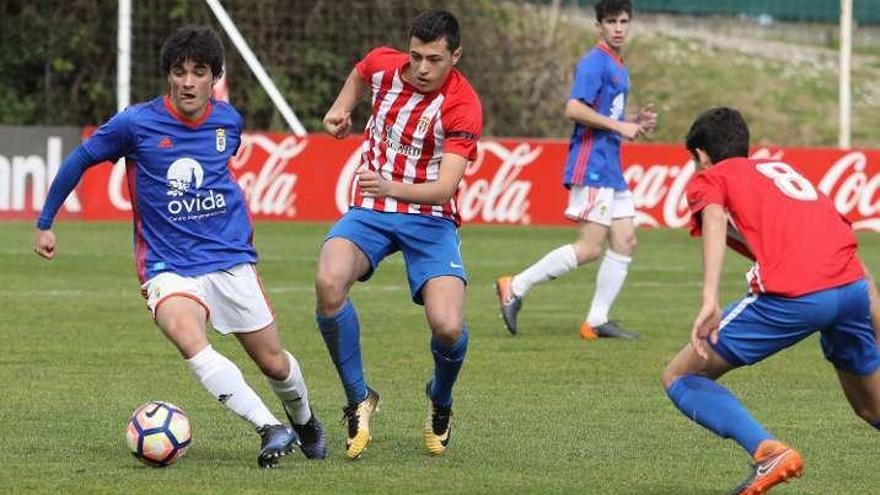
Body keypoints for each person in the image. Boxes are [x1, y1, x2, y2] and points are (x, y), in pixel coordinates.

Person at [32, 25, 326, 468]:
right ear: (169, 75)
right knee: (189, 337)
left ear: (214, 77)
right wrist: (45, 221)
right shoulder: (136, 123)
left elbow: (220, 171)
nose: (188, 81)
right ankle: (270, 427)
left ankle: (304, 422)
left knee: (274, 365)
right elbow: (81, 158)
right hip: (168, 266)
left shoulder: (228, 120)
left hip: (229, 261)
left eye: (199, 72)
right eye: (179, 71)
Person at [661, 107, 880, 494]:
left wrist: (709, 297)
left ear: (700, 155)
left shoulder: (711, 177)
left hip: (797, 296)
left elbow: (712, 218)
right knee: (872, 408)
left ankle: (768, 454)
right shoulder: (785, 175)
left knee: (681, 375)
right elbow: (851, 255)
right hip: (851, 289)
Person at [315, 10, 481, 459]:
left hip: (431, 217)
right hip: (372, 209)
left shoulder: (462, 104)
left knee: (447, 326)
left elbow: (446, 187)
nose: (423, 68)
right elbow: (359, 72)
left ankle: (440, 400)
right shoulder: (385, 66)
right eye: (416, 56)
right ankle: (358, 398)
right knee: (329, 283)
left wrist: (392, 186)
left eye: (434, 59)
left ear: (455, 57)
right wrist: (340, 108)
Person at [495, 0, 656, 339]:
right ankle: (515, 286)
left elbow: (607, 116)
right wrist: (618, 125)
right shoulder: (594, 63)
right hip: (592, 162)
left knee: (625, 241)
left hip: (611, 165)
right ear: (599, 24)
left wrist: (632, 123)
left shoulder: (618, 65)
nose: (618, 27)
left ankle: (596, 321)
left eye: (623, 21)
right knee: (590, 247)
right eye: (611, 21)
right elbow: (573, 108)